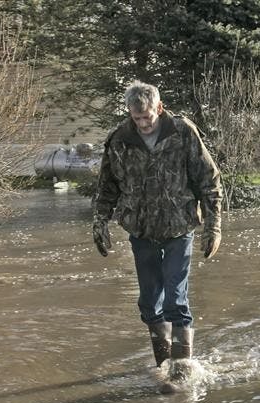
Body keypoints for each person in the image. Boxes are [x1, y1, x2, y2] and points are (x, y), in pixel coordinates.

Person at [92, 80, 222, 369]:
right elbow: (107, 186)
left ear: (159, 108)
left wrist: (214, 226)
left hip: (179, 226)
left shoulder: (182, 132)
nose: (142, 124)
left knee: (176, 300)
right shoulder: (120, 140)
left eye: (147, 117)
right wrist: (99, 222)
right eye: (136, 118)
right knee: (150, 304)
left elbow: (209, 180)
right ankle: (163, 367)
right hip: (141, 230)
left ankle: (182, 371)